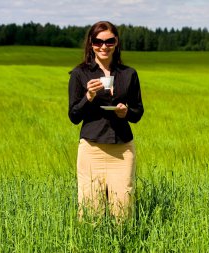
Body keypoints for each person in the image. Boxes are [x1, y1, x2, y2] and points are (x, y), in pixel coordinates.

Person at [68, 21, 144, 219]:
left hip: (122, 150)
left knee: (123, 211)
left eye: (109, 41)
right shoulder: (79, 74)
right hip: (91, 150)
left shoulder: (129, 74)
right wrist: (89, 97)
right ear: (91, 44)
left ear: (116, 42)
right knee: (91, 212)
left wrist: (125, 112)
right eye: (98, 41)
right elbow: (74, 116)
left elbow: (138, 112)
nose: (104, 46)